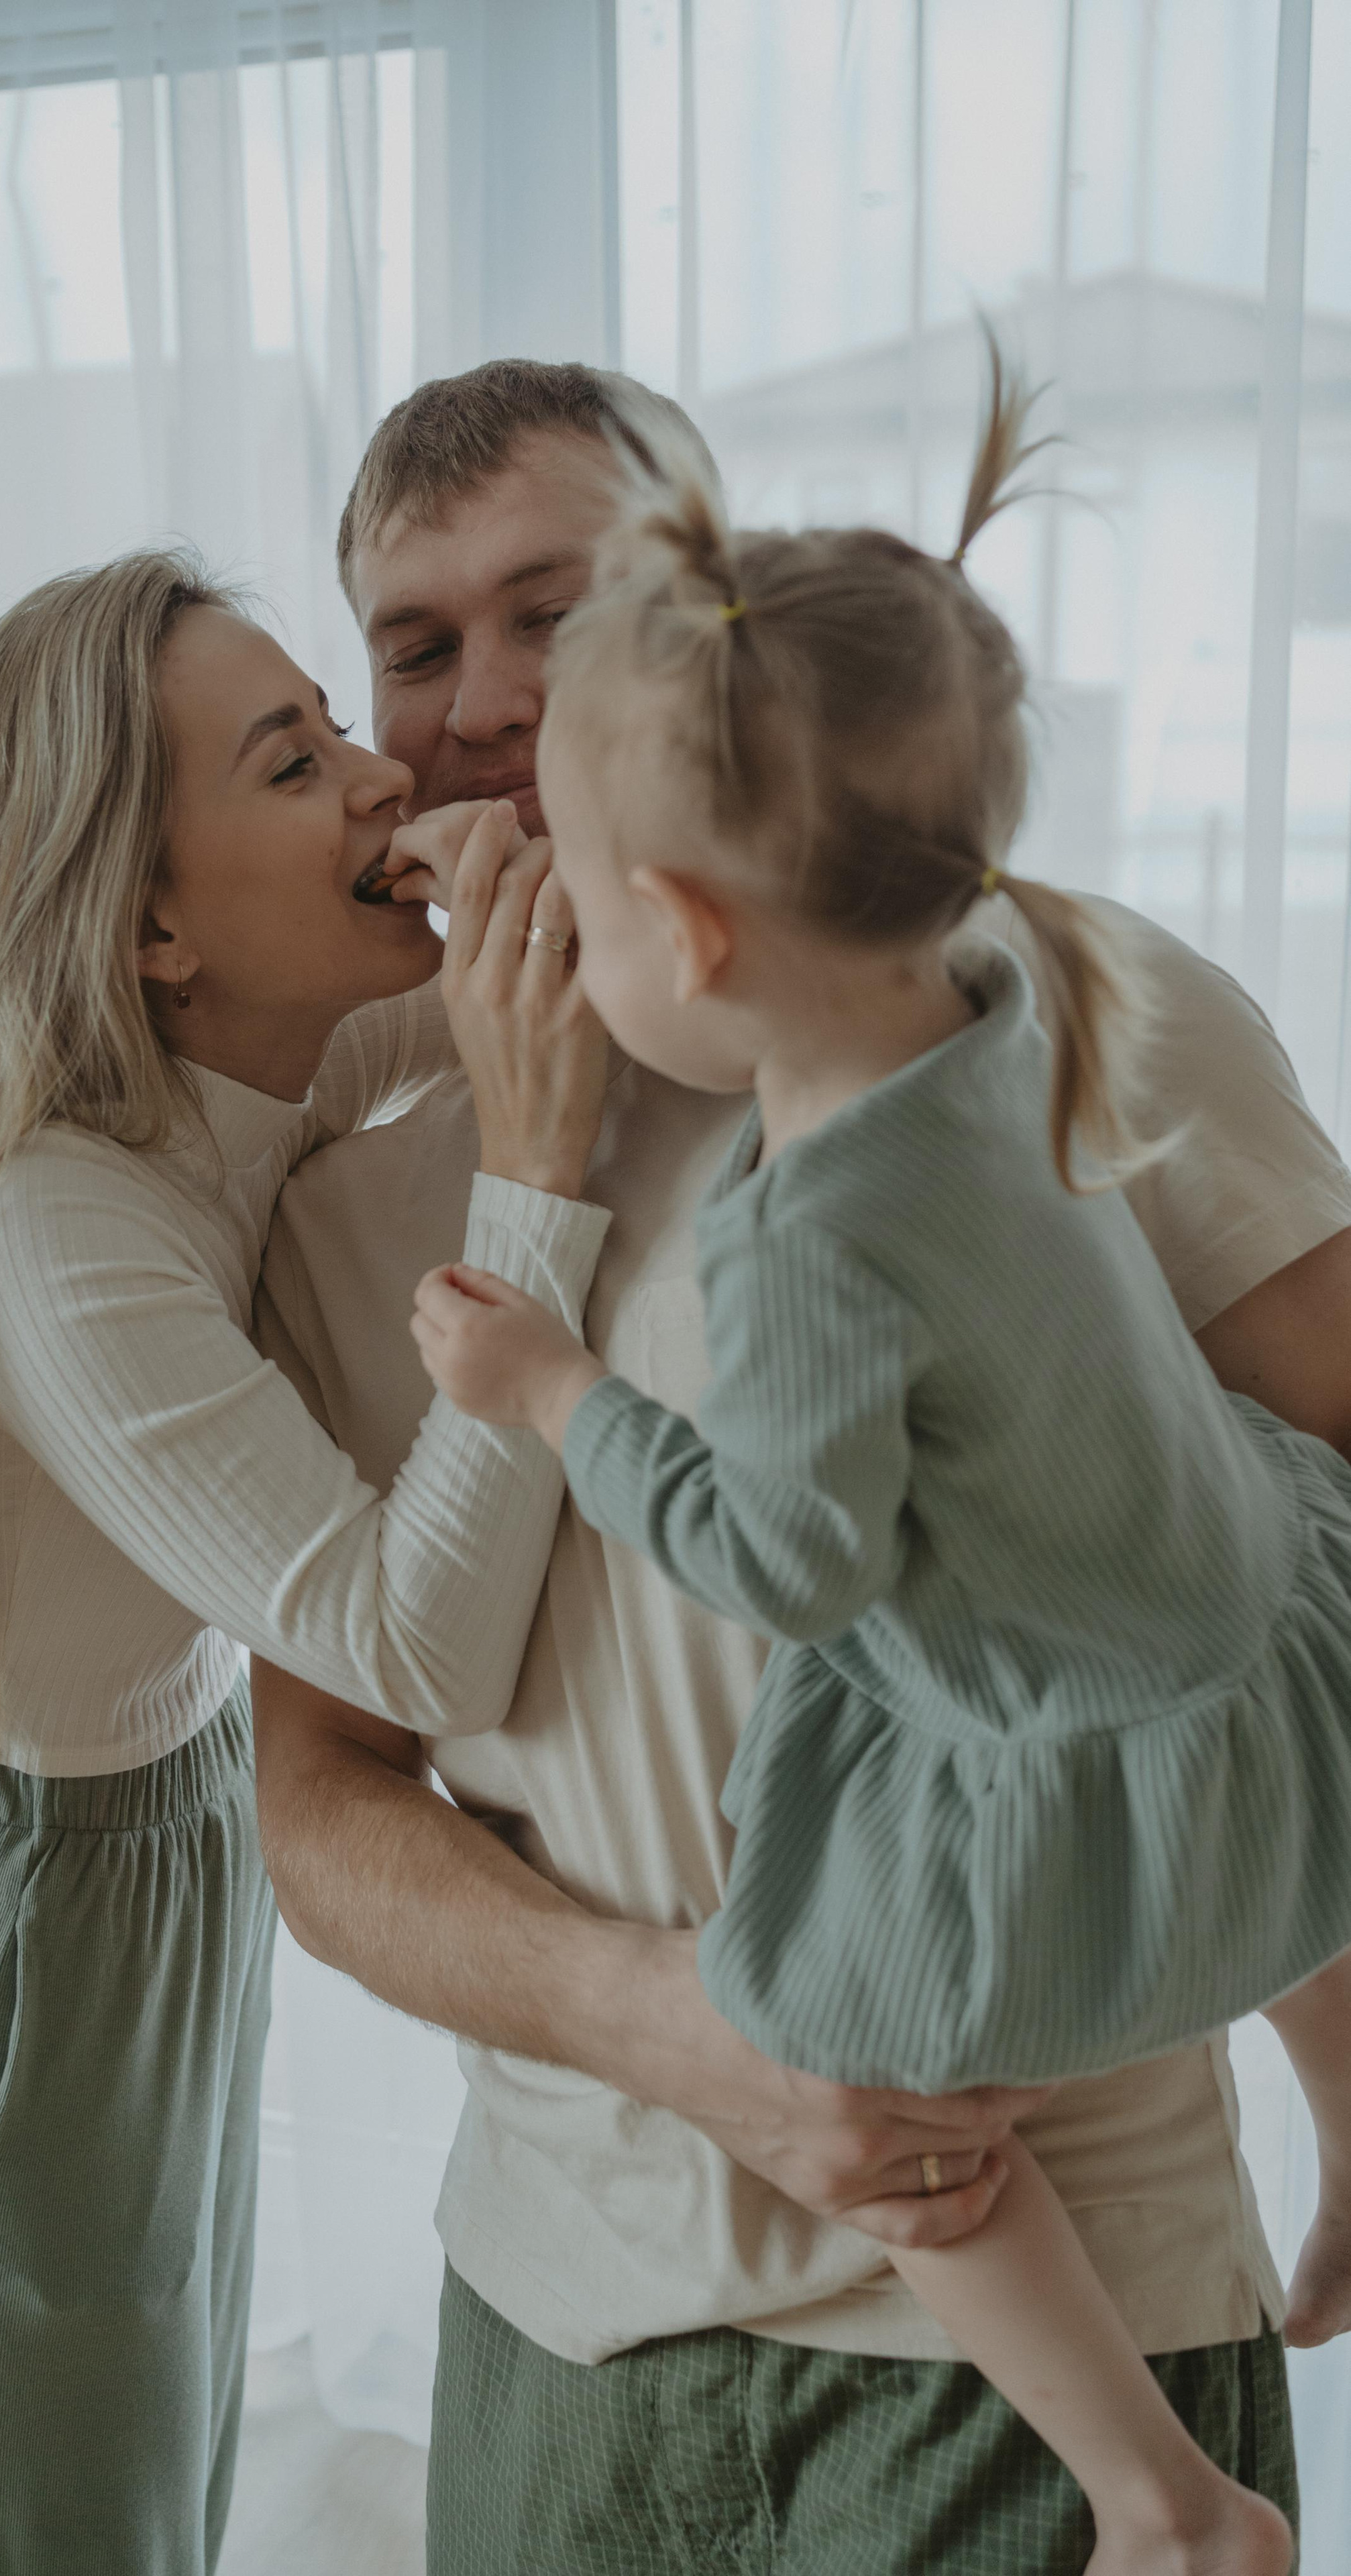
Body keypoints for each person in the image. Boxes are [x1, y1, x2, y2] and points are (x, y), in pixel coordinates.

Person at [253, 358, 1351, 2573]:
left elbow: (1292, 1582)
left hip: (1041, 2354)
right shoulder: (353, 1204)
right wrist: (694, 2034)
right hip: (551, 2334)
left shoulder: (1071, 1018)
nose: (483, 707)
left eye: (552, 614)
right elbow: (323, 1808)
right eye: (414, 644)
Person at [0, 547, 616, 2575]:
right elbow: (405, 1645)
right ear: (152, 916)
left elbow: (509, 987)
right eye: (292, 756)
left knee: (134, 2502)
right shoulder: (59, 1226)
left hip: (158, 1873)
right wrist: (537, 1193)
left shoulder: (228, 1083)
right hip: (9, 1958)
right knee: (13, 2523)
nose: (369, 774)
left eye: (338, 722)